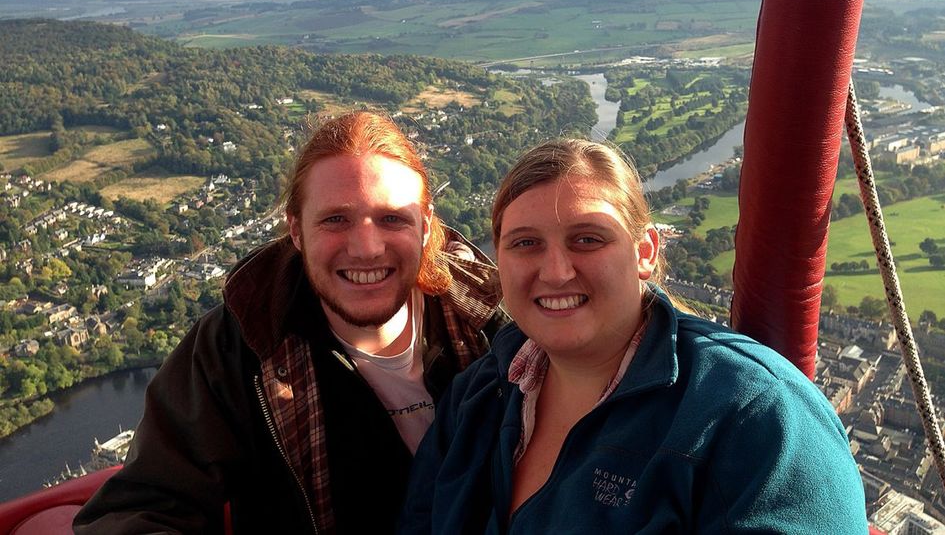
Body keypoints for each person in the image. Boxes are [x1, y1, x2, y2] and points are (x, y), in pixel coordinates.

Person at [400, 138, 868, 534]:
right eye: (525, 243)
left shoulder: (757, 416)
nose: (557, 271)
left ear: (644, 252)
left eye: (588, 239)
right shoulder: (480, 393)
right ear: (497, 257)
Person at [74, 111, 506, 534]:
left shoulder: (487, 318)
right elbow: (141, 508)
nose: (366, 248)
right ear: (296, 231)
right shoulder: (243, 344)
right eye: (335, 219)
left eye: (392, 218)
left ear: (426, 227)